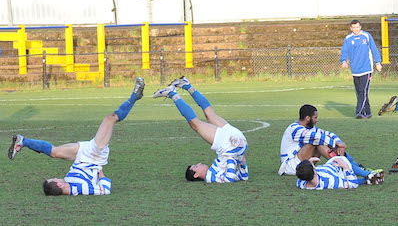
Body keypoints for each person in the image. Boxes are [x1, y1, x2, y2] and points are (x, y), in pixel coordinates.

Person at [7, 78, 144, 196]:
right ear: (59, 185)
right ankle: (135, 96)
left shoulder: (68, 181)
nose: (56, 177)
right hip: (95, 155)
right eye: (54, 178)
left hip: (81, 155)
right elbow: (105, 190)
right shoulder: (80, 188)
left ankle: (23, 141)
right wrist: (99, 171)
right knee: (111, 118)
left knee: (54, 152)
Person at [153, 76, 249, 183]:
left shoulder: (212, 174)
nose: (199, 163)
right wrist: (236, 160)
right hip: (230, 146)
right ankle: (174, 91)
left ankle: (183, 88)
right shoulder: (210, 178)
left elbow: (241, 177)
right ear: (196, 174)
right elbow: (233, 178)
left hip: (236, 144)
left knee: (207, 117)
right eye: (196, 166)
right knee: (198, 122)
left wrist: (238, 158)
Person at [278, 104, 384, 184]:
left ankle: (361, 172)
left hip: (305, 163)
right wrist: (337, 144)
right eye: (315, 118)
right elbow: (318, 137)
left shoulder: (309, 127)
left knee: (325, 143)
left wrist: (339, 143)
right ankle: (364, 173)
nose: (317, 120)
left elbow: (328, 134)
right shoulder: (295, 129)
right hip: (292, 167)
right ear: (307, 118)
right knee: (318, 143)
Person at [340, 19, 383, 119]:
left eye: (357, 27)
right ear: (351, 28)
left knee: (363, 91)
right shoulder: (348, 38)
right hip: (355, 70)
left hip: (366, 69)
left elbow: (374, 49)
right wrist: (344, 61)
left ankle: (359, 112)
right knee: (360, 92)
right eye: (354, 27)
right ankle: (368, 112)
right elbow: (344, 51)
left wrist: (378, 63)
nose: (356, 29)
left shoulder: (366, 36)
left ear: (360, 27)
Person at [295, 156, 369, 190]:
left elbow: (303, 172)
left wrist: (309, 162)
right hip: (339, 170)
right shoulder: (330, 181)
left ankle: (366, 178)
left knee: (339, 157)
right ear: (314, 171)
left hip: (328, 167)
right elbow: (353, 184)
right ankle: (367, 174)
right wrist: (346, 167)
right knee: (343, 158)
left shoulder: (301, 182)